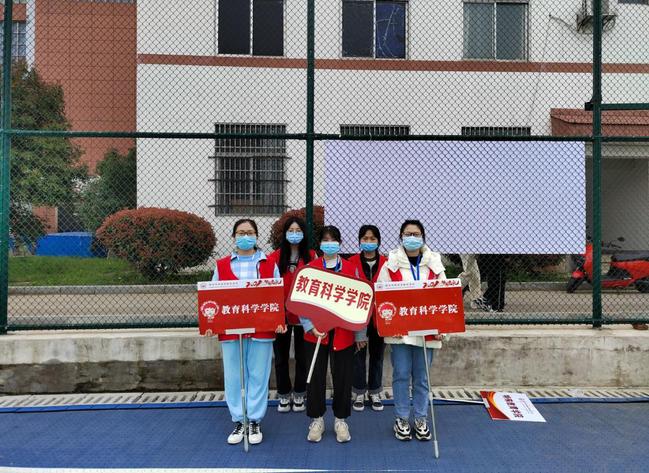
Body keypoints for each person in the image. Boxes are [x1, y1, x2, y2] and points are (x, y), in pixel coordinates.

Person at [211, 219, 286, 446]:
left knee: (258, 375)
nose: (246, 236)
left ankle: (254, 420)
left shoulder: (268, 264)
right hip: (232, 330)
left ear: (256, 236)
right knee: (234, 376)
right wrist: (210, 324)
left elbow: (276, 295)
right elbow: (212, 296)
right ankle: (239, 420)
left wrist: (279, 320)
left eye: (250, 232)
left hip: (261, 329)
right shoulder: (222, 265)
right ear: (234, 237)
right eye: (241, 233)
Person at [376, 220, 446, 442]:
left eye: (416, 234)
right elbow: (381, 297)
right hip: (401, 333)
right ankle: (402, 418)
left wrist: (443, 327)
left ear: (423, 237)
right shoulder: (391, 264)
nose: (412, 238)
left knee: (422, 378)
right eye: (408, 234)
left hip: (427, 331)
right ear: (401, 237)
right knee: (401, 375)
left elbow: (445, 297)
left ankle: (421, 418)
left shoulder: (435, 263)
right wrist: (391, 325)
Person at [300, 225, 366, 443]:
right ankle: (317, 419)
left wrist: (360, 334)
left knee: (343, 377)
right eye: (325, 240)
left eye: (333, 240)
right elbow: (300, 302)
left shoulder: (350, 268)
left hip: (343, 334)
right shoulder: (310, 269)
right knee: (316, 376)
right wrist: (310, 326)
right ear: (319, 244)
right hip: (315, 334)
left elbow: (360, 301)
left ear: (340, 243)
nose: (329, 244)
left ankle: (341, 419)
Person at [268, 217, 315, 413]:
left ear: (304, 234)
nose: (294, 234)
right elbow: (269, 288)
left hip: (304, 317)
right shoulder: (274, 257)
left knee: (302, 358)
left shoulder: (311, 256)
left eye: (298, 230)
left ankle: (300, 393)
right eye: (291, 230)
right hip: (281, 317)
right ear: (285, 233)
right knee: (281, 358)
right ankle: (284, 394)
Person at [347, 225, 387, 412]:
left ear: (378, 241)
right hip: (358, 317)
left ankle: (375, 391)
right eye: (365, 238)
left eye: (372, 239)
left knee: (377, 356)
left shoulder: (387, 263)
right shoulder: (351, 262)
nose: (369, 242)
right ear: (359, 241)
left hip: (381, 317)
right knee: (358, 355)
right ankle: (359, 391)